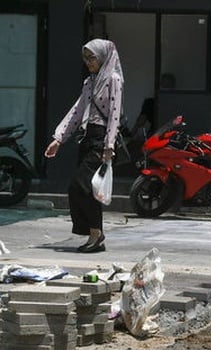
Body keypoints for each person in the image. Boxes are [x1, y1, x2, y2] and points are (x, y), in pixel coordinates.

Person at [44, 38, 124, 253]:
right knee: (89, 191)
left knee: (79, 185)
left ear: (103, 57)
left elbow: (115, 114)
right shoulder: (90, 82)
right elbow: (77, 112)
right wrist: (59, 138)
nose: (88, 62)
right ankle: (95, 235)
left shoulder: (113, 79)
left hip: (101, 140)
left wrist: (109, 145)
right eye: (85, 58)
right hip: (87, 137)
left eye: (92, 57)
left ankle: (95, 234)